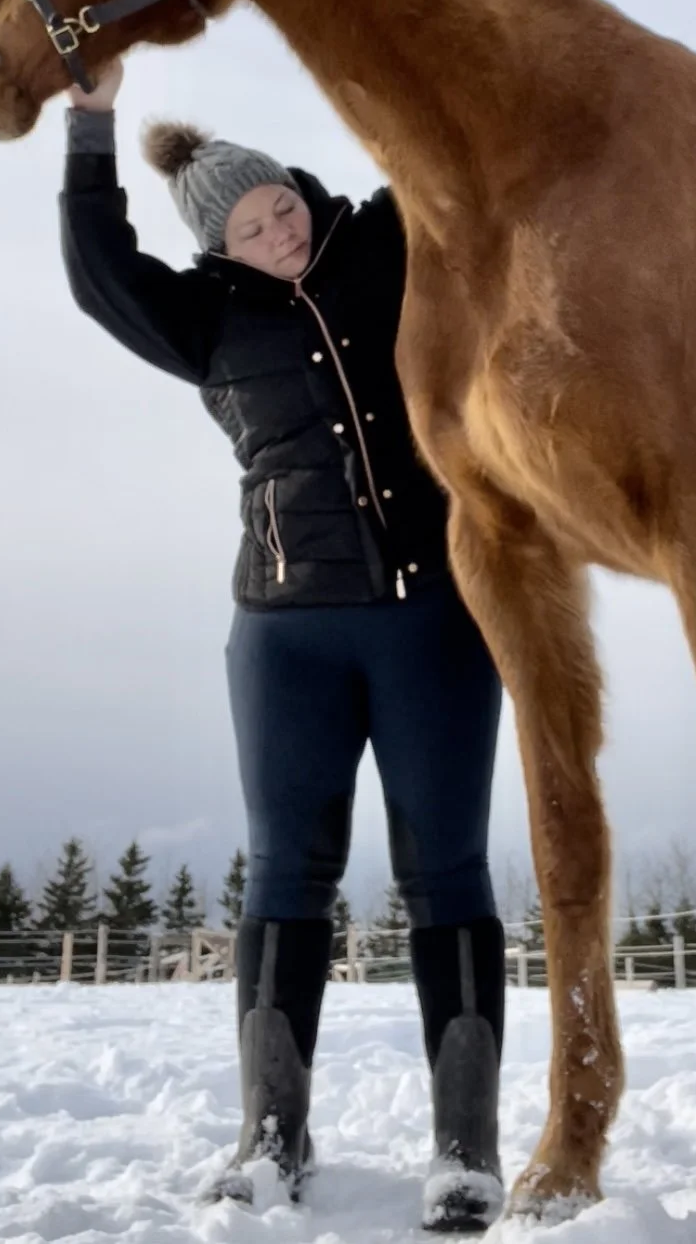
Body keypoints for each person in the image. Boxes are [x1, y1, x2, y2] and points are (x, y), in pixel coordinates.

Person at [59, 59, 505, 1230]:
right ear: (222, 247)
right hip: (283, 637)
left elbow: (441, 132)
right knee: (287, 874)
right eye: (251, 227)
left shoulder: (382, 244)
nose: (278, 230)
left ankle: (465, 1149)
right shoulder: (206, 320)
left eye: (281, 205)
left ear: (301, 190)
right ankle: (271, 1135)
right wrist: (90, 127)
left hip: (434, 622)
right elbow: (101, 277)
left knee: (445, 873)